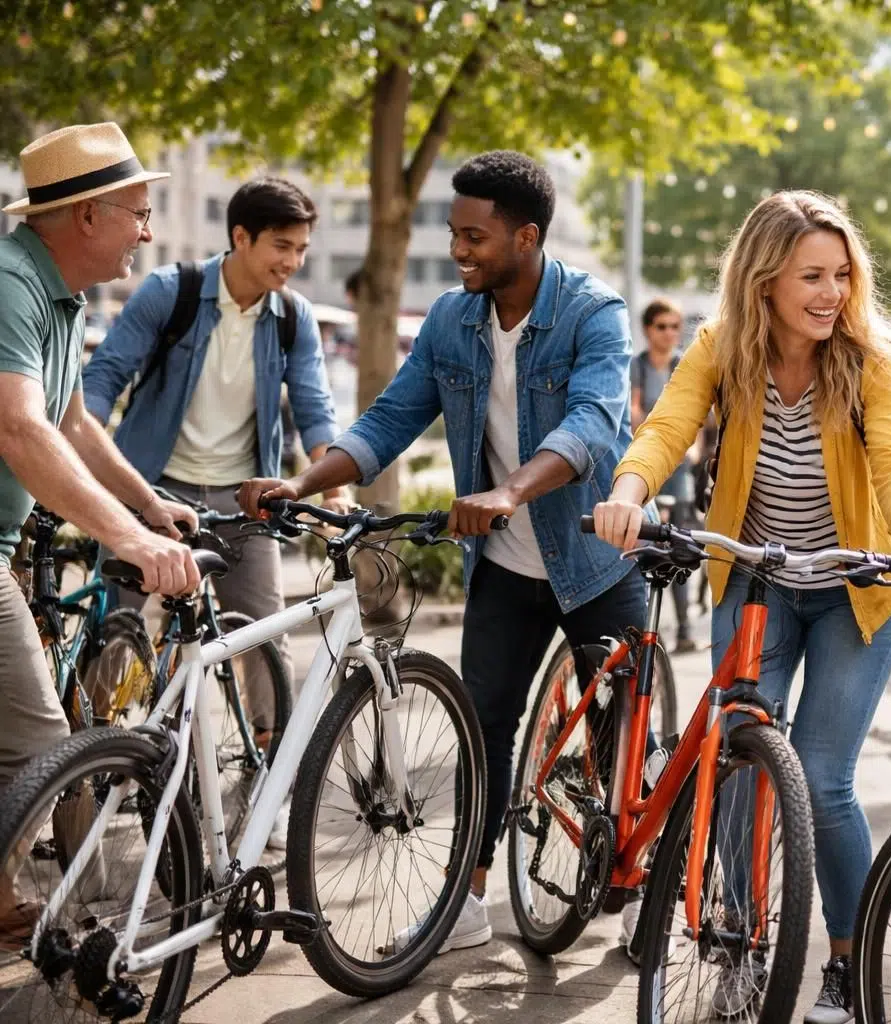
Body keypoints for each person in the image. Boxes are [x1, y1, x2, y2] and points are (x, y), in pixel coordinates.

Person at [238, 150, 645, 955]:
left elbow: (596, 422)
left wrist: (508, 493)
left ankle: (639, 887)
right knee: (484, 729)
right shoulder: (455, 322)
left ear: (526, 237)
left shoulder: (593, 313)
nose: (459, 249)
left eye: (474, 236)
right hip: (502, 569)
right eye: (454, 233)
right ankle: (469, 897)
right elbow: (389, 420)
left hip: (596, 562)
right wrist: (304, 481)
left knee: (620, 732)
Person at [592, 190, 891, 1024]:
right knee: (736, 771)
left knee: (823, 782)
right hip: (756, 579)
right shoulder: (725, 346)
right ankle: (735, 938)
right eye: (811, 277)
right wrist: (629, 489)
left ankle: (845, 963)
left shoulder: (872, 360)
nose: (831, 293)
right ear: (764, 280)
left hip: (856, 590)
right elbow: (667, 425)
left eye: (841, 275)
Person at [83, 177, 345, 850]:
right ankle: (94, 770)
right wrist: (77, 456)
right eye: (281, 247)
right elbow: (105, 376)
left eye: (302, 249)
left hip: (240, 498)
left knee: (264, 637)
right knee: (118, 629)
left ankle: (269, 782)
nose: (292, 262)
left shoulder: (291, 318)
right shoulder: (169, 294)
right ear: (240, 238)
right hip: (154, 488)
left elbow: (313, 405)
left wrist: (331, 480)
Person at [0, 122, 202, 948]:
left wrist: (149, 507)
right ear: (86, 216)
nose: (147, 232)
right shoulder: (11, 283)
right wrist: (131, 540)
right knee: (45, 742)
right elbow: (19, 430)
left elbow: (74, 423)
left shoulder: (56, 294)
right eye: (138, 212)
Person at [631, 296, 703, 651]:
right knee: (645, 545)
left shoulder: (684, 364)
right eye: (662, 326)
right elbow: (633, 412)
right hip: (648, 465)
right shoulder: (638, 366)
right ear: (648, 330)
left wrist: (690, 451)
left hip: (681, 469)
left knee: (680, 547)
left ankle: (686, 628)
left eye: (676, 326)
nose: (670, 333)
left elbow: (700, 418)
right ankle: (641, 629)